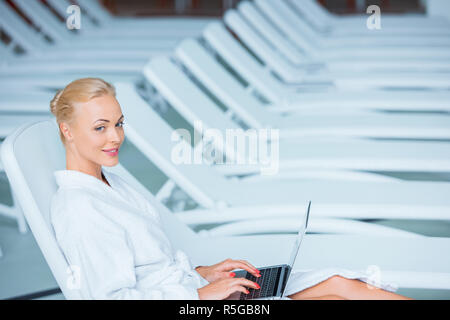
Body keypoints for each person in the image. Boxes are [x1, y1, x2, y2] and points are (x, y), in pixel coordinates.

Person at [50, 78, 411, 300]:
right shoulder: (80, 209)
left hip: (196, 288)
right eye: (100, 128)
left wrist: (206, 272)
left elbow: (151, 265)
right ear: (67, 130)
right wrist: (199, 294)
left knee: (343, 284)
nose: (115, 137)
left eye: (119, 124)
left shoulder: (111, 183)